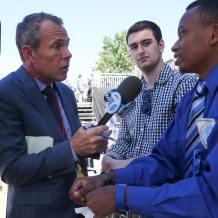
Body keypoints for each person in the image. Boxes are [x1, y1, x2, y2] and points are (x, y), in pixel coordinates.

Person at [70, 0, 218, 217]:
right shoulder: (193, 98)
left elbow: (211, 194)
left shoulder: (183, 86)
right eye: (133, 46)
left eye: (183, 34)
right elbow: (164, 159)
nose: (177, 45)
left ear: (214, 34)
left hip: (165, 202)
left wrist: (120, 195)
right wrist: (108, 176)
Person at [0, 12, 111, 218]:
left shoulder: (66, 92)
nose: (68, 54)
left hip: (77, 210)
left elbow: (70, 148)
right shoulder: (6, 93)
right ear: (29, 53)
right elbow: (11, 170)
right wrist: (72, 148)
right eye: (57, 46)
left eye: (67, 45)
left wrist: (90, 146)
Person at [102, 20, 197, 171]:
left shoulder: (184, 83)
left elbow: (182, 148)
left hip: (165, 189)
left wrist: (128, 164)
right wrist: (109, 158)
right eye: (134, 47)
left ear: (161, 45)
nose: (140, 51)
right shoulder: (130, 92)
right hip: (130, 186)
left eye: (146, 43)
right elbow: (125, 141)